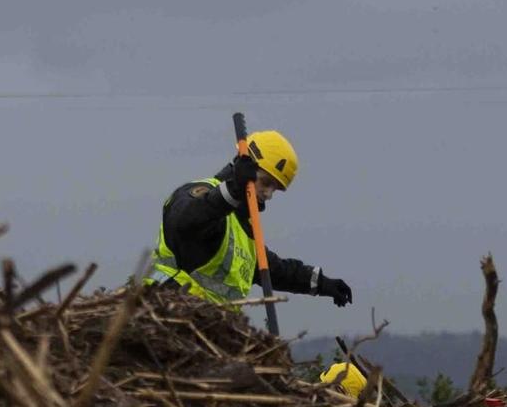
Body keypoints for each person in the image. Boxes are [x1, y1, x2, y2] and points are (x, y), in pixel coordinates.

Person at [147, 129, 353, 311]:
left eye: (276, 189)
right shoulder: (202, 193)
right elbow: (186, 219)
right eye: (266, 182)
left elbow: (273, 270)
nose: (269, 194)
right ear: (245, 167)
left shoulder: (243, 227)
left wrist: (320, 282)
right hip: (167, 309)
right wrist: (234, 189)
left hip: (209, 327)